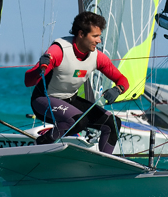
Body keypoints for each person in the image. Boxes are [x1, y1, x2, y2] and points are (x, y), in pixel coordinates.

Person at [24, 11, 129, 154]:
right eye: (95, 36)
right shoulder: (58, 51)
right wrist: (39, 69)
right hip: (43, 100)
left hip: (70, 100)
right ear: (81, 34)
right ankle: (40, 143)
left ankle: (102, 163)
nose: (99, 40)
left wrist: (118, 89)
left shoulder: (98, 57)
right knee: (79, 121)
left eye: (99, 36)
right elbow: (28, 81)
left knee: (113, 123)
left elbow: (122, 80)